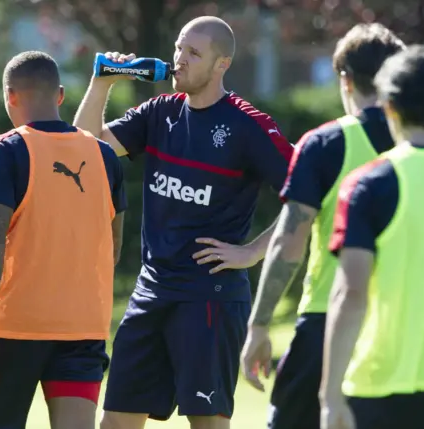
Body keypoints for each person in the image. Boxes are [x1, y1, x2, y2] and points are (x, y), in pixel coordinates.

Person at [74, 15, 293, 429]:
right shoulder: (160, 112)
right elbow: (84, 151)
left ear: (222, 64)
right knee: (115, 422)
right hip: (151, 292)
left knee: (206, 423)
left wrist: (251, 252)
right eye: (178, 47)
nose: (179, 59)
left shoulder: (249, 125)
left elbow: (307, 195)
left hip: (209, 296)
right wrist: (101, 82)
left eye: (194, 53)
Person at [237, 23, 406, 428]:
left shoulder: (326, 144)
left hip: (326, 322)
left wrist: (259, 324)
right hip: (399, 327)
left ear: (345, 80)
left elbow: (288, 242)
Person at [0, 51, 127, 429]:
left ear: (10, 95)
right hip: (83, 328)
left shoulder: (4, 149)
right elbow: (113, 247)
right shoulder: (104, 156)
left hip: (12, 330)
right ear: (61, 95)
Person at [320, 45, 424, 429]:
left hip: (378, 387)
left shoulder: (369, 184)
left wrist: (330, 396)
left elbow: (350, 294)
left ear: (389, 107)